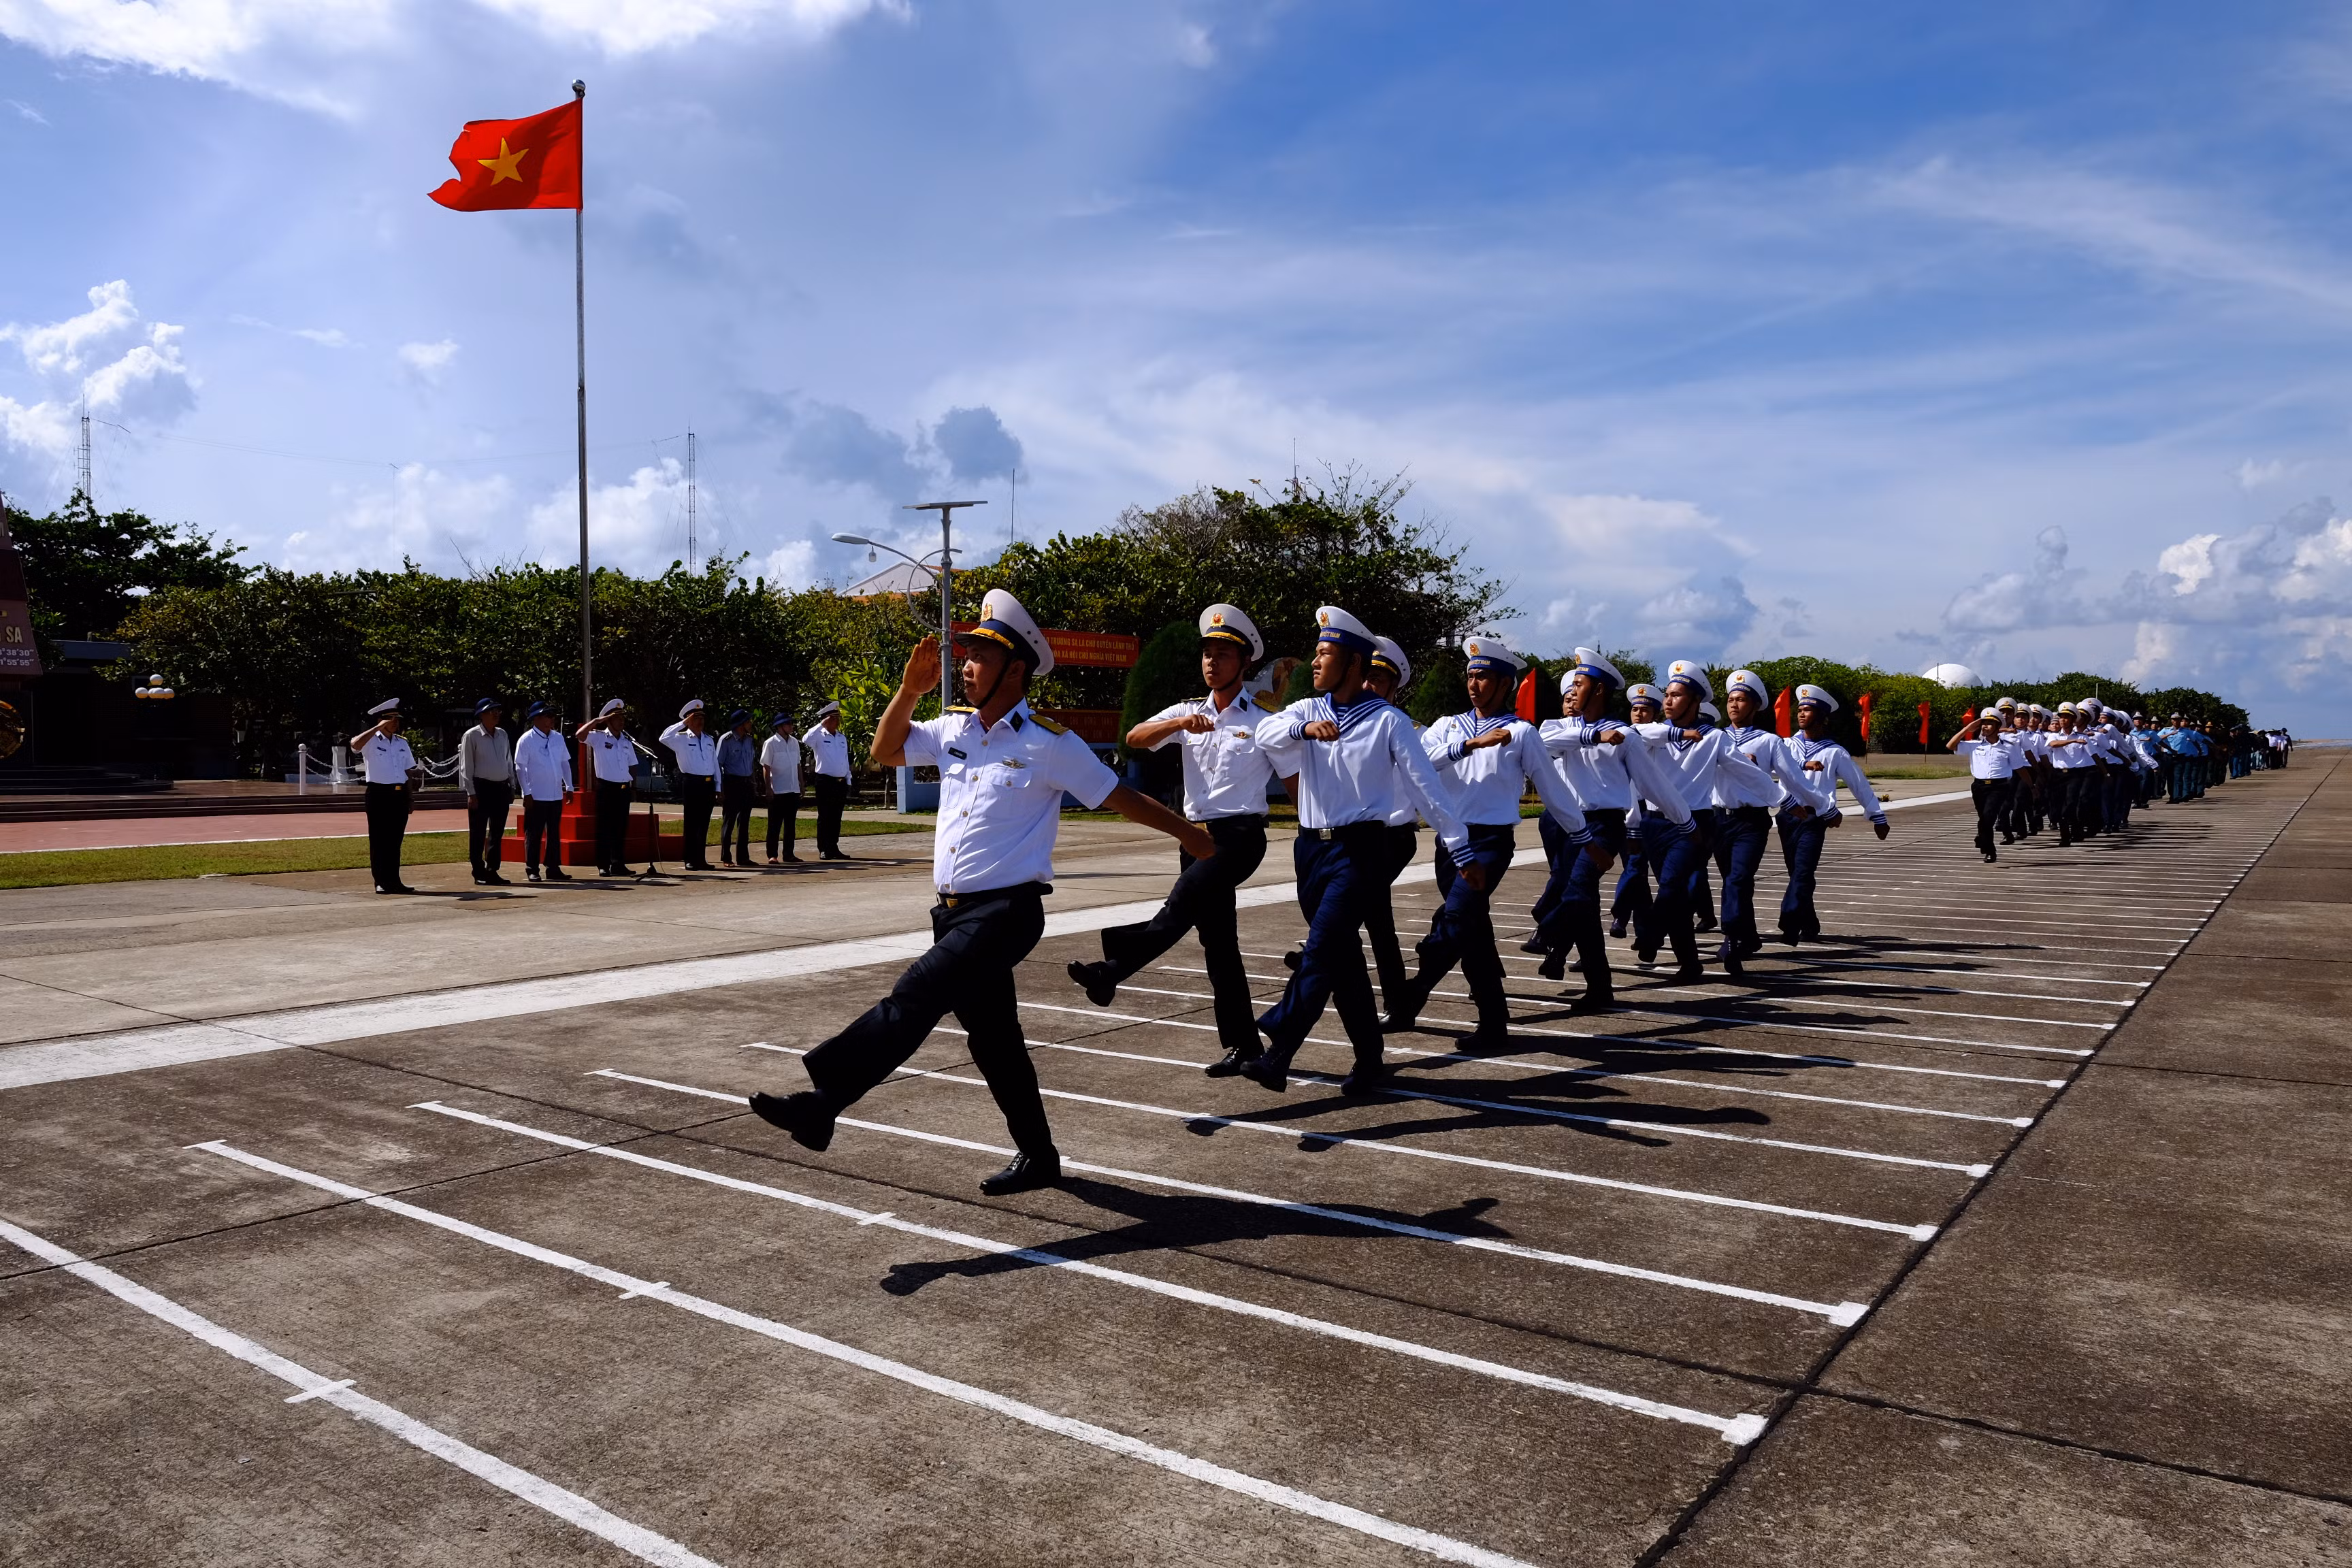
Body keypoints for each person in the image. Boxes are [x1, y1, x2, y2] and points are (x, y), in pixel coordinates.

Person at [748, 590, 1214, 1196]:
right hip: (954, 915)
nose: (965, 665)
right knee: (996, 1044)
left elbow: (1119, 797)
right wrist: (909, 691)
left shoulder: (1050, 743)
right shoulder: (952, 729)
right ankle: (1040, 1157)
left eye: (979, 657)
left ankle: (824, 1100)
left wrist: (1192, 836)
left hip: (1007, 913)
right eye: (964, 655)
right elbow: (884, 751)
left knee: (916, 991)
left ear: (1015, 670)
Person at [1247, 606, 1474, 1092]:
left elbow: (1426, 786)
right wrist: (1299, 730)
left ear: (1352, 664)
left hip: (1360, 852)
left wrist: (1459, 847)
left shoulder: (1388, 721)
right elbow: (1261, 733)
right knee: (1343, 963)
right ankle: (1370, 1060)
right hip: (1310, 850)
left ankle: (1278, 1050)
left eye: (1325, 654)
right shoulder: (1309, 710)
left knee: (1322, 947)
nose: (1315, 662)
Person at [1070, 604, 1286, 1073]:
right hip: (1195, 838)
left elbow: (1295, 781)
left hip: (1240, 838)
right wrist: (1178, 725)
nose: (1212, 662)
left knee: (1181, 902)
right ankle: (1245, 1045)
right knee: (1219, 945)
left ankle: (1112, 971)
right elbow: (1135, 737)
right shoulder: (1188, 712)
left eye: (1224, 654)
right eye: (1206, 653)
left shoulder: (1266, 720)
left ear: (1245, 662)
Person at [1386, 632, 1588, 1045]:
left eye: (1484, 677)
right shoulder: (1447, 727)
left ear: (1504, 684)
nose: (1475, 685)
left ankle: (1413, 992)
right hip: (1450, 842)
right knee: (1472, 931)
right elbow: (1418, 767)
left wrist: (1583, 837)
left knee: (1457, 918)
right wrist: (1468, 745)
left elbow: (1552, 788)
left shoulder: (1522, 733)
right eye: (1471, 676)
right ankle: (1493, 1024)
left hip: (1492, 843)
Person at [1532, 649, 1691, 1010]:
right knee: (1586, 908)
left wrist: (1685, 820)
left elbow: (1654, 785)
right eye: (1572, 683)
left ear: (1599, 690)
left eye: (1580, 683)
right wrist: (1590, 738)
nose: (1573, 690)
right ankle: (1600, 988)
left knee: (1577, 889)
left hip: (1604, 825)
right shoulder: (1557, 727)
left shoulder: (1624, 735)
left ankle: (1548, 928)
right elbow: (1542, 748)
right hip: (1567, 825)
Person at [1760, 685, 1889, 941]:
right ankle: (1810, 922)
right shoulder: (1785, 745)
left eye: (1808, 710)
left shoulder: (1834, 752)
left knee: (1804, 871)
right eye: (1800, 709)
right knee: (1797, 873)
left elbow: (1859, 784)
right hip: (1788, 817)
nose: (1802, 714)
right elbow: (1770, 769)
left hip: (1814, 819)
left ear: (1822, 718)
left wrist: (1877, 815)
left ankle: (1789, 920)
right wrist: (1800, 764)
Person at [1712, 670, 1784, 970]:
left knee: (1739, 879)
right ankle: (1750, 935)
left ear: (1755, 706)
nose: (1734, 705)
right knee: (1733, 881)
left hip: (1751, 821)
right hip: (1718, 819)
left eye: (1741, 700)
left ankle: (1730, 937)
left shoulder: (1768, 741)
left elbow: (1789, 778)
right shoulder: (1713, 738)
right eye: (1731, 699)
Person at [1610, 682, 1667, 947]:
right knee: (1637, 875)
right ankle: (1645, 935)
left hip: (1645, 812)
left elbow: (1658, 732)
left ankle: (1620, 916)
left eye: (1645, 710)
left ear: (1654, 714)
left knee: (1636, 869)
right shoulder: (1621, 734)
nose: (1638, 714)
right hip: (1620, 810)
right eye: (1635, 709)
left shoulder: (1655, 733)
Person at [350, 698, 420, 895]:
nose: (396, 723)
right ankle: (380, 881)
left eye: (397, 720)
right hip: (379, 794)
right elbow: (355, 744)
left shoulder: (401, 743)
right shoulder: (371, 741)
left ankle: (395, 881)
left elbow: (408, 773)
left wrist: (410, 798)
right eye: (392, 720)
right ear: (382, 721)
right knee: (379, 840)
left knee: (395, 841)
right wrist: (377, 728)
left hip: (398, 795)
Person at [575, 699, 642, 877]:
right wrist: (597, 721)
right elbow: (580, 735)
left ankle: (618, 864)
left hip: (623, 789)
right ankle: (603, 865)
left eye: (623, 718)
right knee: (604, 828)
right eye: (617, 718)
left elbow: (633, 765)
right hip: (607, 788)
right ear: (609, 720)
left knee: (620, 828)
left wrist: (632, 787)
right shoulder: (599, 736)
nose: (622, 722)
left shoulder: (627, 741)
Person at [512, 700, 574, 882]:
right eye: (548, 716)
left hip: (554, 793)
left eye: (553, 716)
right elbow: (520, 767)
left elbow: (564, 762)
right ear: (536, 719)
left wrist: (569, 786)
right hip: (536, 794)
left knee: (554, 833)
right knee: (534, 833)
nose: (552, 719)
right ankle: (532, 868)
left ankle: (553, 867)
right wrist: (526, 792)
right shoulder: (527, 739)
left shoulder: (558, 737)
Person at [457, 697, 516, 887]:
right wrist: (471, 793)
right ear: (482, 715)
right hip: (481, 788)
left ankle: (493, 870)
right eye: (492, 711)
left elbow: (508, 761)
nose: (496, 714)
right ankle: (478, 871)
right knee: (478, 832)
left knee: (497, 832)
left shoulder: (502, 734)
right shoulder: (472, 736)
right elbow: (466, 766)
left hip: (501, 787)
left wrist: (511, 785)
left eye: (498, 710)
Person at [1948, 712, 2016, 863]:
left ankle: (1990, 851)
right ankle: (1983, 838)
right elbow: (1950, 745)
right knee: (1983, 819)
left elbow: (2018, 767)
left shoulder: (2009, 747)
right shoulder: (1975, 745)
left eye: (1990, 723)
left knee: (1988, 818)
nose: (1985, 726)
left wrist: (2032, 786)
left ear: (1998, 727)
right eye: (1983, 723)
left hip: (1999, 787)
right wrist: (1967, 729)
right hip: (1979, 787)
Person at [661, 700, 720, 872]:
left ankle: (701, 859)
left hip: (708, 784)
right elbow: (663, 737)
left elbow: (714, 763)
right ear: (689, 720)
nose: (701, 721)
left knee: (704, 824)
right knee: (692, 823)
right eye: (696, 718)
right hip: (692, 783)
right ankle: (690, 859)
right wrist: (682, 724)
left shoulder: (709, 739)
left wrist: (718, 786)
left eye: (702, 717)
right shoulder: (681, 739)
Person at [2044, 703, 2097, 844]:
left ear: (2073, 720)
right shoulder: (2053, 736)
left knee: (2071, 804)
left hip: (2075, 774)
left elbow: (2094, 756)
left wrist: (2103, 773)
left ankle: (2067, 835)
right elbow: (2053, 745)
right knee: (2058, 805)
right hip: (2058, 774)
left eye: (2067, 717)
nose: (2063, 720)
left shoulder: (2083, 737)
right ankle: (2074, 831)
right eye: (2061, 717)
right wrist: (2072, 741)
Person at [806, 700, 853, 860]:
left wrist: (848, 780)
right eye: (834, 718)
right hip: (825, 781)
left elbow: (844, 760)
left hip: (840, 782)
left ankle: (834, 847)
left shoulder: (841, 738)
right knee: (825, 816)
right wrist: (821, 725)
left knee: (836, 817)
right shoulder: (818, 737)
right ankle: (824, 848)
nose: (838, 722)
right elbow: (806, 739)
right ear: (827, 720)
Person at [715, 708, 761, 868]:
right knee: (729, 820)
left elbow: (751, 763)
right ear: (741, 724)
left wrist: (753, 783)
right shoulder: (726, 740)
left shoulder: (749, 740)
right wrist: (719, 788)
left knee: (745, 821)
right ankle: (726, 857)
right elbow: (718, 764)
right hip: (731, 782)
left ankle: (743, 857)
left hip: (747, 782)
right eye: (748, 721)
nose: (750, 724)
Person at [760, 711, 804, 864]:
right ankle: (772, 855)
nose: (791, 727)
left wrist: (801, 784)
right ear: (780, 727)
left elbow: (798, 764)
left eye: (791, 724)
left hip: (792, 789)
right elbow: (766, 766)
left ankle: (789, 854)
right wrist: (768, 788)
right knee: (774, 825)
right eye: (788, 724)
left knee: (790, 825)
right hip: (778, 789)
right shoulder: (771, 743)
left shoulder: (794, 742)